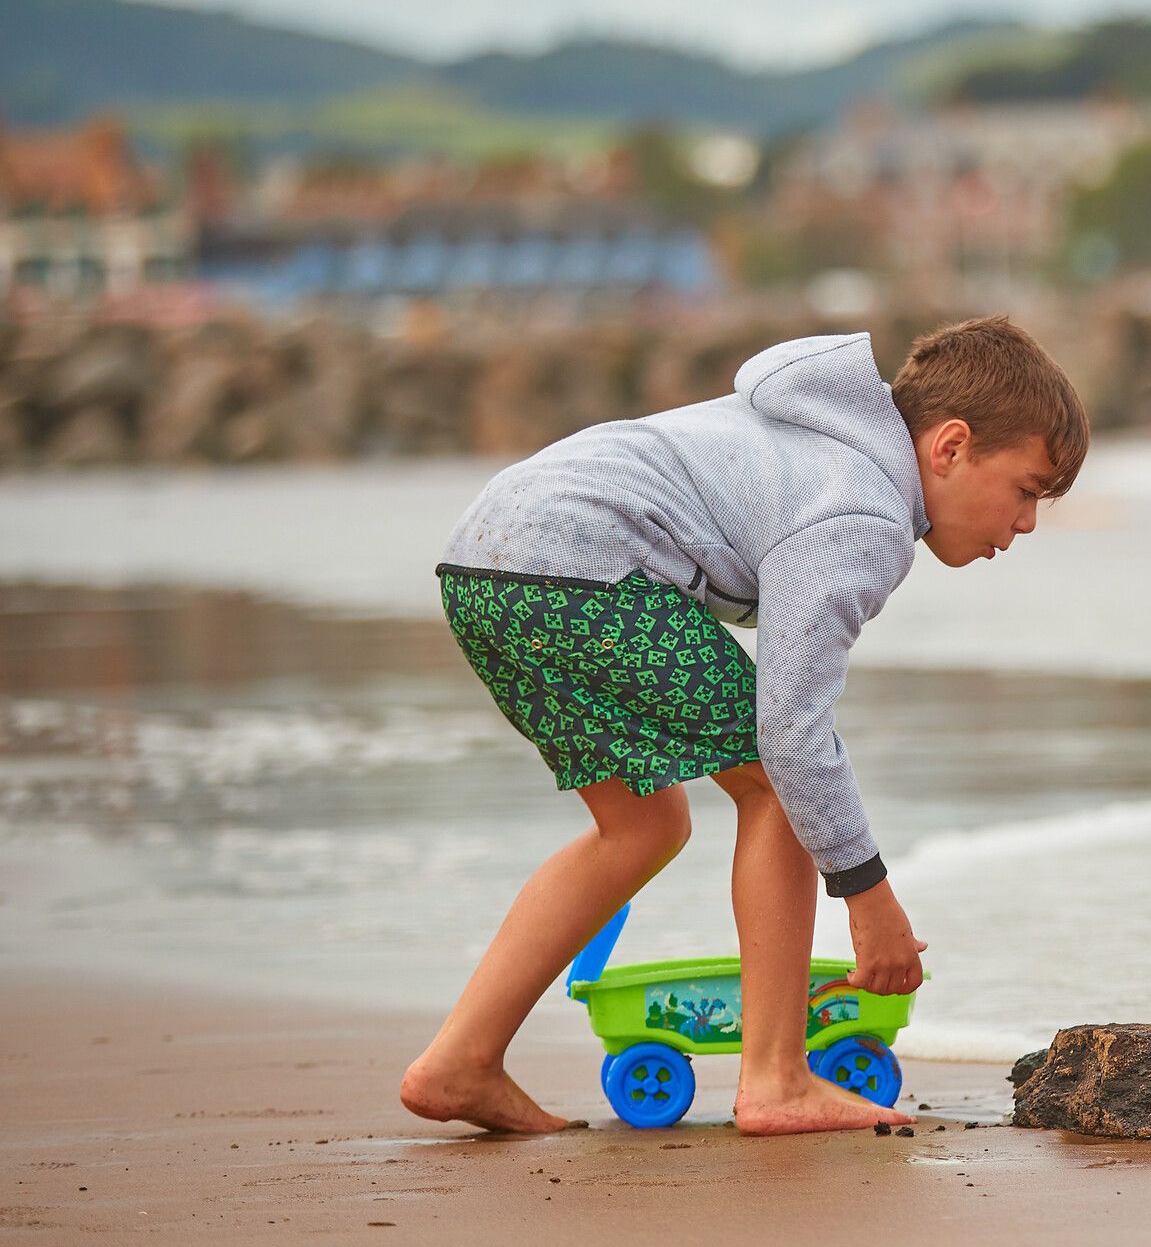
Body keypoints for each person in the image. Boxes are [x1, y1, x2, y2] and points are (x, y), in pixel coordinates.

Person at [399, 317, 1087, 1135]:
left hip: (488, 566)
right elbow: (791, 736)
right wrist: (869, 898)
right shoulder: (862, 513)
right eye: (1025, 489)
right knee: (777, 782)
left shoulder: (828, 441)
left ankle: (458, 1063)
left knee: (642, 825)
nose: (1027, 524)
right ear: (949, 447)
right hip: (579, 565)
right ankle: (775, 1079)